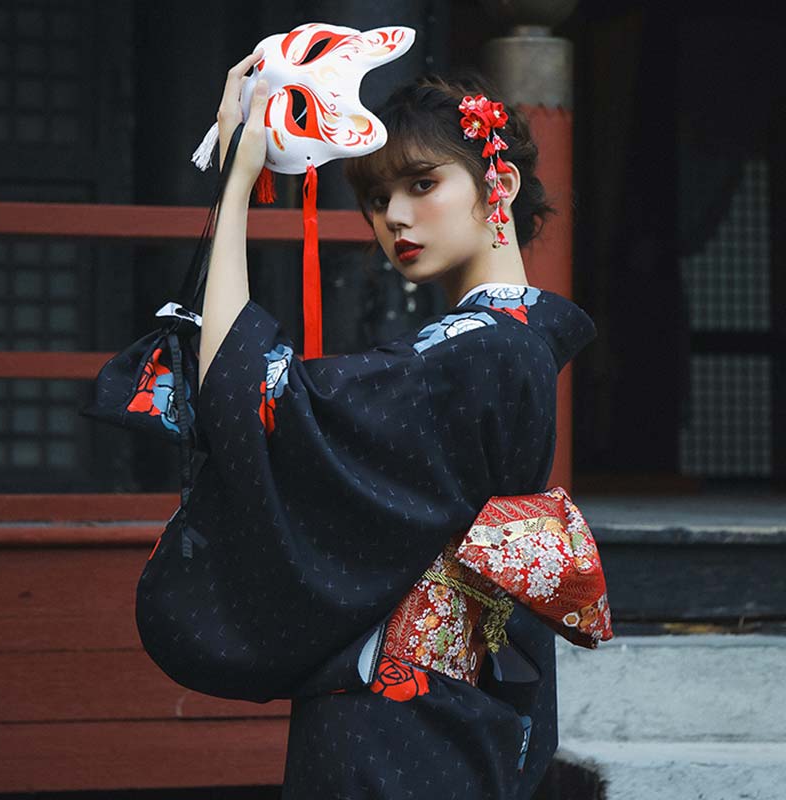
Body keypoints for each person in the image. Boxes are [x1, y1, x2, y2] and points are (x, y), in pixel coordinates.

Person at [141, 50, 603, 800]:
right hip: (447, 712)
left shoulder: (481, 350)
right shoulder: (504, 345)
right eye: (378, 196)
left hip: (402, 726)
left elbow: (247, 390)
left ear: (500, 185)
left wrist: (236, 184)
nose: (394, 216)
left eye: (423, 184)